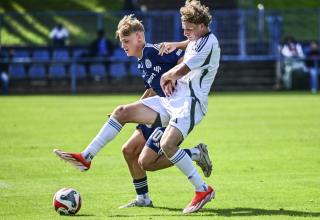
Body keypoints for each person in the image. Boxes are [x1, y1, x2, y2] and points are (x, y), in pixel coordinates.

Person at [54, 0, 219, 213]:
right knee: (122, 113)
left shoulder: (207, 43)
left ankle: (202, 189)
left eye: (188, 29)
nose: (185, 32)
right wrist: (177, 44)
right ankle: (86, 157)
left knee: (164, 149)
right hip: (169, 100)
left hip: (189, 102)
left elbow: (182, 66)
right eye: (184, 29)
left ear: (201, 25)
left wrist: (168, 76)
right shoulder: (195, 40)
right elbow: (188, 47)